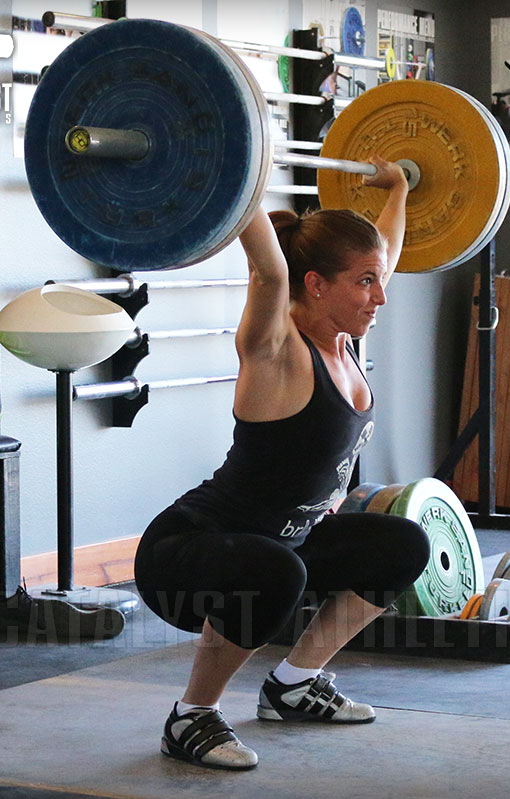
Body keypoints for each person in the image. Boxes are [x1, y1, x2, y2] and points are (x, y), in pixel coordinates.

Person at [134, 155, 431, 771]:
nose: (380, 295)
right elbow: (270, 273)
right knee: (277, 572)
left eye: (379, 281)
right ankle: (191, 718)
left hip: (285, 543)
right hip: (190, 551)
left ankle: (294, 683)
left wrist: (398, 187)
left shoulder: (347, 337)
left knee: (401, 544)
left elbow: (386, 252)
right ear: (317, 284)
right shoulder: (274, 350)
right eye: (366, 283)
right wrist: (237, 171)